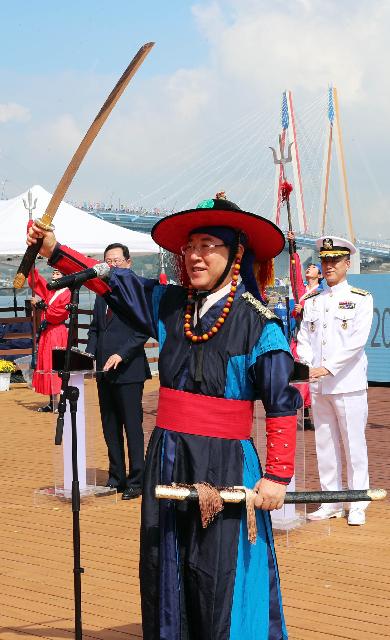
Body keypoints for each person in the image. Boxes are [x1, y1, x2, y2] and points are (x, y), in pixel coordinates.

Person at [27, 195, 302, 640]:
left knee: (218, 571)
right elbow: (115, 284)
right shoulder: (168, 305)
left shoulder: (261, 324)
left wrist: (278, 475)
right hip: (169, 454)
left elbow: (281, 400)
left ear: (235, 256)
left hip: (227, 461)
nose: (195, 255)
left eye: (209, 245)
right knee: (164, 565)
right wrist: (54, 250)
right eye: (190, 245)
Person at [297, 236, 373, 526]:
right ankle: (331, 500)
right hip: (318, 384)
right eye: (325, 260)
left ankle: (357, 502)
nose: (328, 265)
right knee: (324, 443)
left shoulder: (360, 299)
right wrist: (306, 365)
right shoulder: (313, 301)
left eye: (335, 260)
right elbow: (304, 337)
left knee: (354, 444)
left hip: (348, 383)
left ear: (347, 263)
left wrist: (325, 368)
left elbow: (356, 343)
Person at [86, 243, 151, 500]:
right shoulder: (103, 293)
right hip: (104, 371)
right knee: (110, 426)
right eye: (108, 261)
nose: (112, 265)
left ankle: (137, 480)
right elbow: (94, 329)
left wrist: (121, 355)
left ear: (128, 262)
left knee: (132, 427)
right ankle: (116, 477)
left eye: (116, 261)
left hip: (129, 370)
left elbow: (142, 330)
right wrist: (89, 354)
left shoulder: (136, 293)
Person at [287, 230, 323, 430]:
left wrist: (304, 310)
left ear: (319, 275)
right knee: (299, 371)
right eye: (307, 266)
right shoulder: (302, 291)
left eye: (312, 267)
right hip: (301, 336)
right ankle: (303, 410)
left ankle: (314, 412)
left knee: (313, 372)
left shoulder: (321, 293)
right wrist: (292, 247)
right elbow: (294, 275)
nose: (308, 269)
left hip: (313, 336)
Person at [28, 267, 71, 412]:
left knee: (56, 365)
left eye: (58, 272)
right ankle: (52, 403)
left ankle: (61, 402)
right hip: (48, 332)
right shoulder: (52, 291)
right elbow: (38, 284)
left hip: (57, 332)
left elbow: (60, 313)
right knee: (47, 365)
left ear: (65, 276)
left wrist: (41, 305)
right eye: (53, 272)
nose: (54, 274)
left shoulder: (67, 293)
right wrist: (32, 271)